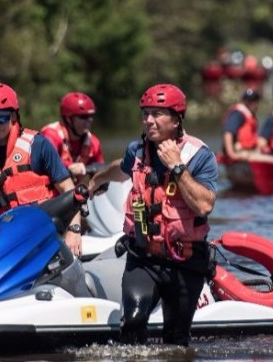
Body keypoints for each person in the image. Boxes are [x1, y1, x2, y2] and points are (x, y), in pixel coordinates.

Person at [89, 83, 218, 346]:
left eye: (157, 114)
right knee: (134, 321)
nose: (149, 120)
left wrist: (177, 167)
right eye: (145, 113)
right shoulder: (137, 151)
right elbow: (121, 169)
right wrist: (97, 179)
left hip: (186, 260)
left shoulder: (199, 155)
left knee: (176, 340)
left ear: (177, 119)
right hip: (144, 257)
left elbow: (204, 206)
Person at [0, 83, 83, 256]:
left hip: (41, 236)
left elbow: (69, 190)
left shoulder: (38, 145)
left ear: (14, 115)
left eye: (2, 118)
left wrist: (74, 231)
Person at [40, 92, 104, 182]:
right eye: (83, 117)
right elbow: (45, 161)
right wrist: (68, 166)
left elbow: (101, 171)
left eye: (91, 116)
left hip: (73, 192)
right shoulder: (50, 135)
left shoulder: (93, 142)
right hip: (49, 190)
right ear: (68, 119)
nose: (89, 121)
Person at [221, 88, 261, 161]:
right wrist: (232, 154)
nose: (252, 103)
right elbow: (228, 133)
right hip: (240, 153)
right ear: (243, 101)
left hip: (249, 151)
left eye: (254, 100)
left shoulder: (250, 115)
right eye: (249, 100)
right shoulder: (238, 114)